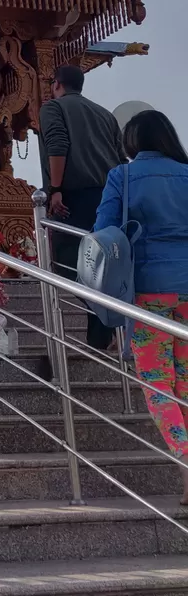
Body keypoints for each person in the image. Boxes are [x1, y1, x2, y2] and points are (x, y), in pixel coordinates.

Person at [94, 110, 188, 502]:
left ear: (132, 141)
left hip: (150, 291)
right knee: (183, 378)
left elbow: (104, 231)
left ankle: (185, 461)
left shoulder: (124, 176)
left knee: (157, 381)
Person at [38, 63, 127, 352]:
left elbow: (57, 144)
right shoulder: (105, 114)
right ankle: (100, 334)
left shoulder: (54, 108)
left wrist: (55, 189)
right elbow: (119, 155)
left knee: (65, 264)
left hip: (74, 196)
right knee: (101, 265)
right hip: (109, 196)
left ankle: (105, 325)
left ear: (57, 84)